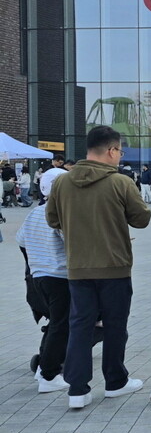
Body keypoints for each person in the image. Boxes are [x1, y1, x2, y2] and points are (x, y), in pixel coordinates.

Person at [47, 125, 151, 409]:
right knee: (115, 326)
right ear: (111, 150)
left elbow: (52, 220)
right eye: (119, 150)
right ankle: (115, 382)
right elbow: (142, 219)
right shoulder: (120, 182)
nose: (120, 155)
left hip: (78, 266)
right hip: (114, 266)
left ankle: (77, 390)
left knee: (80, 326)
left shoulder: (62, 182)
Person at [16, 167, 71, 394]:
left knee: (57, 323)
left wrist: (35, 263)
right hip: (59, 276)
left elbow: (21, 241)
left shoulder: (36, 212)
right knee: (62, 325)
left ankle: (44, 368)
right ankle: (48, 374)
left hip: (39, 277)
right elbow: (71, 244)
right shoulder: (61, 211)